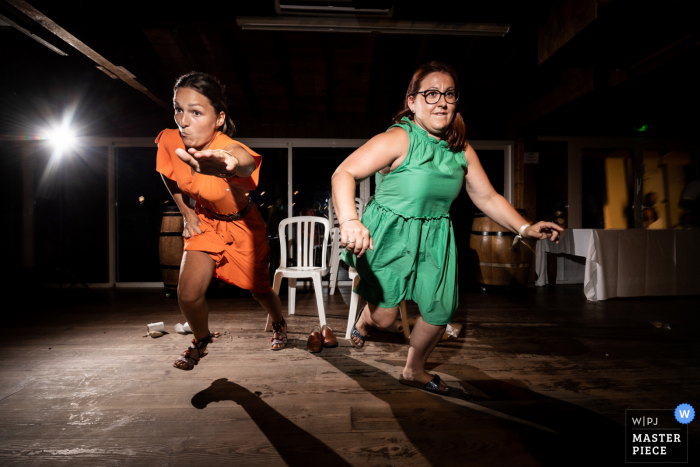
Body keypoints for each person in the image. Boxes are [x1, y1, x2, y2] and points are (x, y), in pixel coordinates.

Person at [331, 61, 562, 395]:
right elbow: (344, 173)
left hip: (436, 236)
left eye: (449, 94)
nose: (441, 101)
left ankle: (413, 370)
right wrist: (350, 220)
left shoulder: (461, 150)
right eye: (431, 93)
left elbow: (487, 197)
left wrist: (525, 228)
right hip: (390, 234)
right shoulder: (398, 139)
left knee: (440, 312)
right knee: (384, 319)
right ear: (412, 102)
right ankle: (366, 322)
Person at [156, 72, 286, 371]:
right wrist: (187, 212)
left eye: (196, 112)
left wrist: (229, 164)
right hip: (206, 221)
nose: (183, 120)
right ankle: (201, 341)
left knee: (260, 290)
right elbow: (168, 173)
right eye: (178, 108)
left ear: (218, 118)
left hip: (244, 227)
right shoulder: (171, 140)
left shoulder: (226, 146)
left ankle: (278, 322)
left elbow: (244, 160)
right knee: (188, 294)